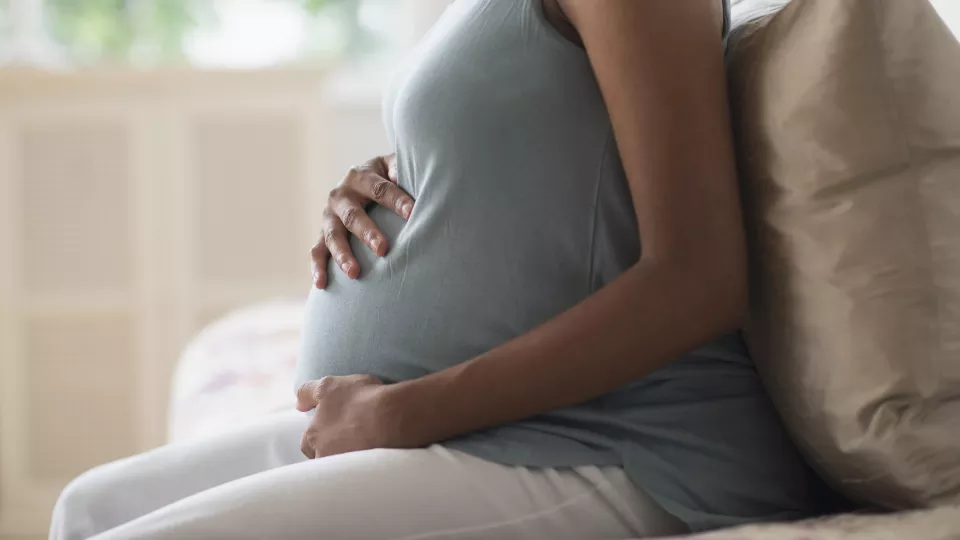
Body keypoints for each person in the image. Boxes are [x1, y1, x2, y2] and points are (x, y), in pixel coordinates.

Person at [50, 0, 819, 538]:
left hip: (621, 445)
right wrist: (379, 182)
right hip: (488, 426)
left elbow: (699, 276)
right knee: (87, 511)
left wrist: (402, 414)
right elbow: (539, 168)